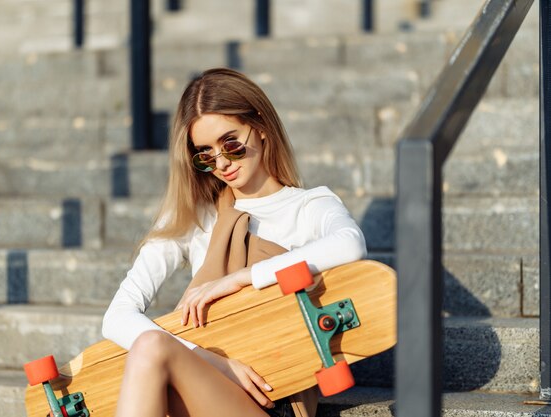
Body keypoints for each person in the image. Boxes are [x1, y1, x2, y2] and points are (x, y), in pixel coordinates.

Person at [102, 68, 367, 417]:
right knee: (151, 347)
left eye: (230, 143)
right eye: (205, 155)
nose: (222, 163)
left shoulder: (309, 206)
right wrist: (215, 363)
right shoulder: (194, 216)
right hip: (201, 387)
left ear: (260, 127)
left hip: (273, 397)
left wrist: (242, 278)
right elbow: (116, 319)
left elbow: (350, 245)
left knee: (153, 347)